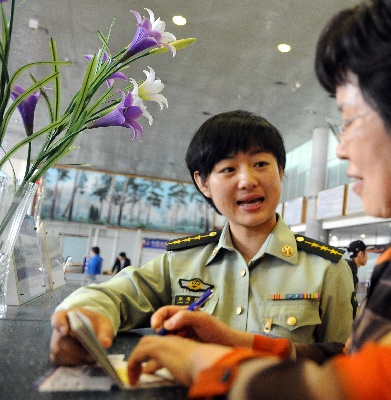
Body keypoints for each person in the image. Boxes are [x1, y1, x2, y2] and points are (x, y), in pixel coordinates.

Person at [125, 1, 391, 398]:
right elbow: (352, 364)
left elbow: (342, 392)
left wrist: (199, 362)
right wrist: (234, 340)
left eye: (351, 119)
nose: (341, 150)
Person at [49, 110, 355, 366]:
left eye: (261, 164)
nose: (247, 180)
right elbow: (111, 295)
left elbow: (346, 365)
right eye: (228, 169)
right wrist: (86, 318)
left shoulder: (328, 270)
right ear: (203, 183)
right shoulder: (181, 263)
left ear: (281, 171)